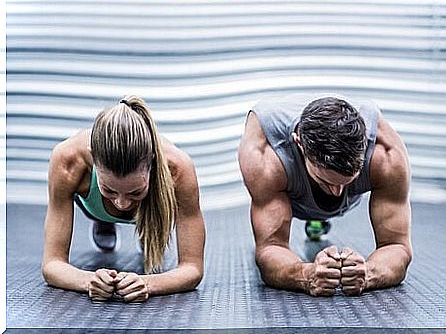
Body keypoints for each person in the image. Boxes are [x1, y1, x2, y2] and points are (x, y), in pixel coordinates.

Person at [238, 93, 412, 296]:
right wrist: (306, 274)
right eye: (326, 181)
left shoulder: (387, 155)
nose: (337, 193)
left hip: (326, 184)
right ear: (299, 144)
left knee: (329, 200)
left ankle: (319, 214)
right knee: (294, 202)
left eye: (347, 180)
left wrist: (368, 273)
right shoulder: (265, 156)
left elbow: (397, 246)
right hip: (294, 192)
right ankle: (315, 216)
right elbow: (270, 248)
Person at [42, 95, 205, 302]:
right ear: (93, 159)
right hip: (92, 205)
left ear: (152, 162)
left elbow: (192, 268)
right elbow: (52, 264)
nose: (122, 203)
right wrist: (89, 280)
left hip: (152, 205)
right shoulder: (68, 160)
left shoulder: (177, 168)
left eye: (135, 192)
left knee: (148, 240)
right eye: (109, 190)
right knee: (108, 200)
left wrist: (146, 283)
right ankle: (103, 217)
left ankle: (145, 222)